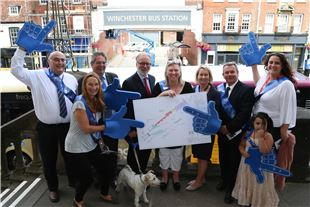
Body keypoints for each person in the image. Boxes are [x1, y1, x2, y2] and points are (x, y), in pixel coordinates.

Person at [11, 48, 77, 203]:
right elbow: (16, 69)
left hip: (68, 126)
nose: (60, 62)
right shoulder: (36, 76)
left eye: (62, 59)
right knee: (48, 160)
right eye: (56, 59)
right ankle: (53, 189)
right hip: (46, 128)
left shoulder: (71, 79)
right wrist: (21, 49)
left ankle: (73, 181)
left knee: (72, 157)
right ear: (49, 62)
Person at [65, 72, 116, 207]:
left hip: (91, 144)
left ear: (99, 86)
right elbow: (86, 129)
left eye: (96, 84)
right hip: (75, 146)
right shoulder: (79, 103)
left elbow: (94, 125)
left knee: (107, 169)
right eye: (90, 84)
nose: (93, 87)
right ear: (84, 86)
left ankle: (104, 193)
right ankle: (78, 199)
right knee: (86, 178)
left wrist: (101, 142)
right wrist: (105, 127)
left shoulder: (97, 101)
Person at [251, 53, 297, 191]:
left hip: (273, 129)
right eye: (270, 62)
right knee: (257, 161)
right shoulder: (265, 79)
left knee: (267, 163)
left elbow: (289, 108)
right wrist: (254, 66)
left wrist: (284, 130)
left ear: (282, 66)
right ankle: (258, 192)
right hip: (258, 126)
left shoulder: (286, 84)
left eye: (277, 63)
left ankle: (266, 194)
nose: (273, 65)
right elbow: (258, 88)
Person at [77, 52, 119, 199]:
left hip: (112, 123)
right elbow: (80, 101)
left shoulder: (113, 77)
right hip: (94, 124)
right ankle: (98, 180)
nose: (101, 65)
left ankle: (111, 178)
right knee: (97, 154)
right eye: (97, 63)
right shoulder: (83, 80)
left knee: (112, 152)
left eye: (103, 62)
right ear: (92, 64)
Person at [152, 59, 193, 191]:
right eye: (171, 70)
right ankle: (164, 178)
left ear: (180, 72)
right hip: (163, 127)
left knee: (177, 153)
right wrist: (163, 94)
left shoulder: (187, 87)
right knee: (164, 153)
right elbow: (150, 105)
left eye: (176, 70)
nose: (173, 72)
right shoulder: (159, 86)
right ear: (166, 72)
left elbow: (193, 105)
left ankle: (175, 177)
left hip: (180, 127)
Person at [216, 62, 254, 204]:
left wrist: (229, 128)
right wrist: (220, 126)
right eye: (227, 72)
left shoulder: (246, 90)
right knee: (223, 158)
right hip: (221, 132)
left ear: (237, 73)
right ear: (223, 75)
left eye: (232, 72)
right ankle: (224, 180)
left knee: (234, 162)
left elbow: (244, 114)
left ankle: (231, 189)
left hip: (237, 133)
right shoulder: (219, 89)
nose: (229, 74)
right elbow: (216, 110)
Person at [232, 112, 279, 207]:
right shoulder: (248, 133)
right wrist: (243, 152)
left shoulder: (268, 136)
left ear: (267, 125)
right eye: (258, 123)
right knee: (248, 180)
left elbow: (264, 151)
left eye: (263, 124)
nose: (260, 126)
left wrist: (261, 138)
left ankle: (259, 200)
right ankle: (247, 198)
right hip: (247, 164)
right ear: (253, 123)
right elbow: (241, 145)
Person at [186, 66, 221, 191]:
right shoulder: (194, 90)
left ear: (210, 77)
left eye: (206, 75)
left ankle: (199, 181)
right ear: (197, 77)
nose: (203, 77)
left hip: (207, 130)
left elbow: (217, 112)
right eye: (201, 75)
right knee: (198, 154)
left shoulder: (214, 93)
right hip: (196, 129)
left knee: (204, 156)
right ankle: (201, 178)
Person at [122, 52, 156, 174]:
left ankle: (141, 179)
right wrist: (130, 128)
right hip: (135, 127)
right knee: (134, 155)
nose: (145, 66)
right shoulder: (128, 82)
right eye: (142, 63)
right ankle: (131, 178)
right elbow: (126, 107)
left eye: (147, 63)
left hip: (148, 125)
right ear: (136, 64)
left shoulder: (152, 79)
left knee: (145, 153)